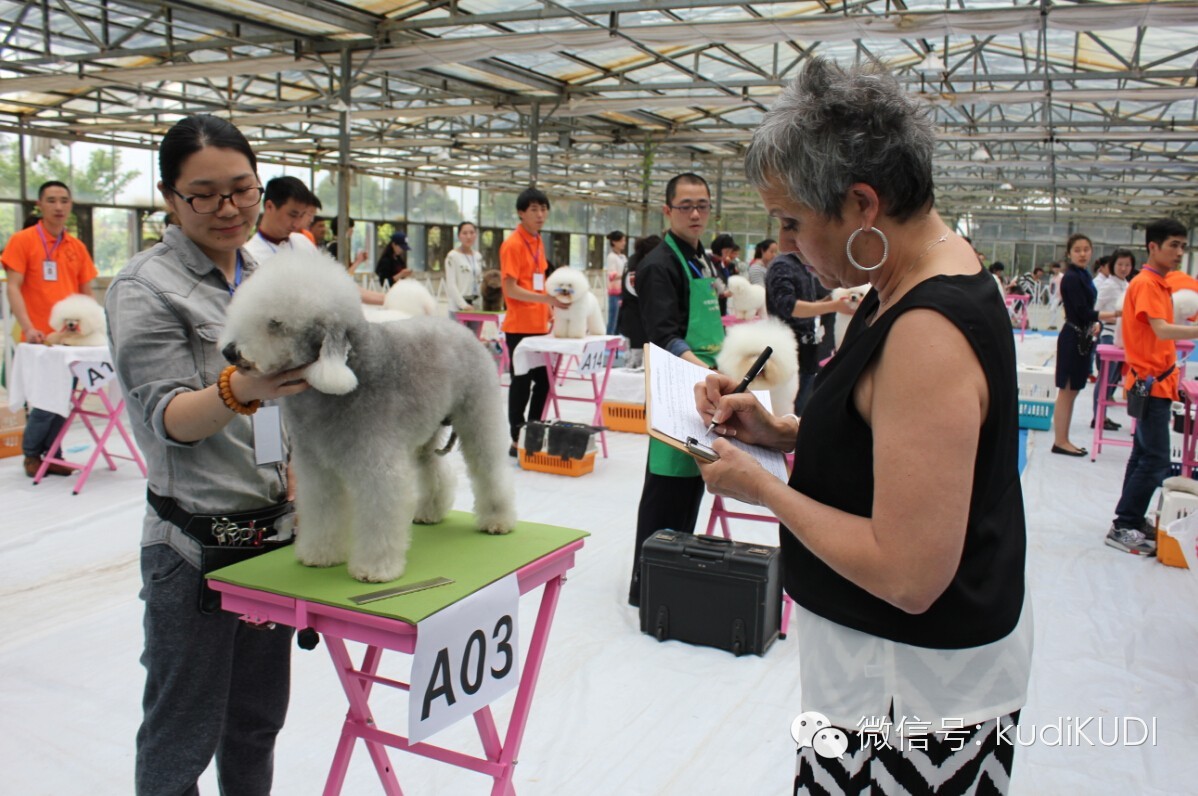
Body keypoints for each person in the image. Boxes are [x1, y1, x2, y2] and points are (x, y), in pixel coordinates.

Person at [700, 58, 1030, 792]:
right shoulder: (901, 285)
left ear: (861, 206)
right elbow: (888, 438)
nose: (783, 246)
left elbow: (910, 574)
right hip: (883, 668)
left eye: (792, 222)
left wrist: (763, 489)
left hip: (910, 689)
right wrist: (782, 433)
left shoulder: (927, 331)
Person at [105, 114, 310, 796]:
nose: (228, 209)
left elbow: (286, 408)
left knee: (255, 724)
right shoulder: (144, 288)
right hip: (193, 550)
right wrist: (238, 387)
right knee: (180, 737)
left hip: (270, 540)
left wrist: (301, 483)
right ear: (169, 197)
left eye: (242, 189)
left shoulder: (265, 274)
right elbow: (168, 418)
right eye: (204, 194)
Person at [627, 172, 724, 606]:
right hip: (677, 386)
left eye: (702, 204)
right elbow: (662, 334)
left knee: (692, 484)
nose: (696, 213)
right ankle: (646, 585)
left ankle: (676, 568)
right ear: (667, 211)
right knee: (666, 484)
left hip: (703, 386)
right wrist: (703, 369)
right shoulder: (658, 266)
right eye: (686, 205)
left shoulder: (699, 259)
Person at [1109, 219, 1194, 555]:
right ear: (1153, 247)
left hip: (1152, 383)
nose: (1179, 252)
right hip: (1150, 384)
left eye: (1183, 246)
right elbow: (1161, 330)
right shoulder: (1147, 284)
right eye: (1173, 245)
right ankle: (1125, 522)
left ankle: (1130, 517)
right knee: (1156, 460)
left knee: (1143, 455)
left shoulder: (1160, 284)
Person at [2, 180, 97, 478]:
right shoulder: (23, 240)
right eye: (52, 200)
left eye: (64, 201)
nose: (58, 207)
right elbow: (14, 288)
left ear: (70, 205)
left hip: (69, 340)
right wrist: (28, 327)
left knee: (63, 398)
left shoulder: (76, 247)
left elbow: (86, 294)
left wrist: (89, 329)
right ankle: (34, 454)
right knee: (43, 400)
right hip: (37, 337)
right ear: (39, 205)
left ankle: (53, 453)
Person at [500, 187, 568, 455]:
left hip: (541, 327)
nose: (540, 215)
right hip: (519, 328)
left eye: (543, 209)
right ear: (521, 213)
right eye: (534, 210)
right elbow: (511, 288)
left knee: (544, 382)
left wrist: (550, 309)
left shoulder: (538, 241)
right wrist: (547, 300)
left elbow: (539, 283)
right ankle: (517, 437)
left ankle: (534, 429)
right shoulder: (513, 244)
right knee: (521, 383)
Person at [765, 252, 856, 415]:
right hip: (788, 347)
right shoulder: (783, 266)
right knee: (788, 408)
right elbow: (788, 307)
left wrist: (830, 301)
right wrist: (833, 306)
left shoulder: (802, 266)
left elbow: (806, 306)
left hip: (806, 348)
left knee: (801, 405)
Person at [1051, 233, 1099, 456]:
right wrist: (1113, 314)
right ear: (1069, 253)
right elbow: (1081, 311)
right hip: (1073, 336)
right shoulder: (1071, 277)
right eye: (1077, 250)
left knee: (1074, 390)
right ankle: (1060, 440)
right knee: (1067, 390)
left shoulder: (1084, 275)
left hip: (1083, 335)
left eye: (1086, 249)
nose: (1082, 253)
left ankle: (1064, 438)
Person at [1090, 248, 1134, 429]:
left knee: (1114, 378)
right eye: (1120, 264)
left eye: (1127, 265)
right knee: (1105, 377)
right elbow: (1096, 311)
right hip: (1109, 334)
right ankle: (1097, 417)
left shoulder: (1127, 284)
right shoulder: (1108, 285)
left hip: (1125, 337)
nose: (1124, 268)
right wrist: (1118, 317)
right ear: (1112, 266)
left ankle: (1103, 415)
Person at [243, 176, 318, 263]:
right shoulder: (250, 255)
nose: (296, 224)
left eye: (302, 215)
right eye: (293, 215)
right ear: (269, 207)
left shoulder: (304, 243)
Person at [617, 234, 662, 369]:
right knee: (635, 359)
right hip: (634, 316)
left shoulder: (639, 262)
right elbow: (635, 290)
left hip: (639, 315)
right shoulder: (635, 267)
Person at [444, 221, 485, 312]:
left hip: (476, 306)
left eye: (472, 233)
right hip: (458, 307)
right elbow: (451, 284)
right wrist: (463, 305)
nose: (468, 237)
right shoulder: (452, 256)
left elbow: (480, 279)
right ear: (459, 236)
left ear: (476, 235)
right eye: (464, 233)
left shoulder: (478, 256)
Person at [605, 230, 627, 334]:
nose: (624, 243)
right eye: (621, 240)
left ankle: (616, 345)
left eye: (624, 240)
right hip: (614, 293)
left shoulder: (623, 257)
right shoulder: (611, 257)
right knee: (612, 320)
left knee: (620, 322)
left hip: (622, 292)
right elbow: (612, 276)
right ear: (614, 242)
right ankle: (607, 344)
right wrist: (625, 276)